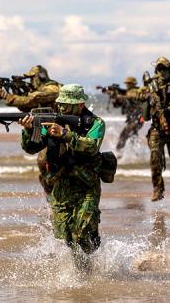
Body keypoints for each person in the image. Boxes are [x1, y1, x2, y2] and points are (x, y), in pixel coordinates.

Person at [18, 84, 105, 257]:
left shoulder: (95, 123)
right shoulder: (51, 122)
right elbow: (32, 148)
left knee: (82, 234)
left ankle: (92, 268)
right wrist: (29, 130)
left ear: (80, 105)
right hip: (61, 184)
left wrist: (65, 134)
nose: (62, 107)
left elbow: (92, 146)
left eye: (67, 104)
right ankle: (81, 272)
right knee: (65, 238)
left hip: (86, 186)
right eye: (61, 103)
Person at [0, 65, 61, 194]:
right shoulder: (41, 90)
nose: (31, 82)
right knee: (43, 164)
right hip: (47, 131)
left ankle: (57, 197)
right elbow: (29, 109)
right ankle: (53, 197)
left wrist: (9, 97)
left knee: (46, 161)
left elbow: (32, 100)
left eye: (32, 78)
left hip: (60, 131)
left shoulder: (52, 88)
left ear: (41, 77)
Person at [138, 57, 170, 204]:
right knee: (155, 157)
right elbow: (139, 94)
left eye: (164, 69)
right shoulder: (151, 85)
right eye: (159, 69)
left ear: (169, 70)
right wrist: (147, 95)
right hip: (157, 128)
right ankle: (158, 189)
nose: (161, 72)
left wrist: (168, 109)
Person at [112, 76, 144, 152]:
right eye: (127, 83)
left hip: (138, 119)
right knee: (133, 137)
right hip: (132, 120)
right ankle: (136, 155)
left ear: (133, 84)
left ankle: (118, 153)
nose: (127, 85)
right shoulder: (127, 92)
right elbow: (117, 105)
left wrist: (120, 96)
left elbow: (131, 96)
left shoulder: (136, 91)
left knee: (123, 135)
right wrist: (115, 97)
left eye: (129, 83)